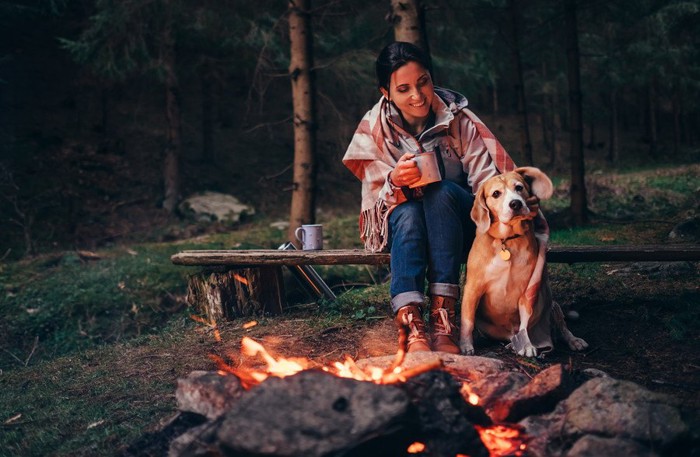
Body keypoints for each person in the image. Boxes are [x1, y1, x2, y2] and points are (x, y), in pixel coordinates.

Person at [343, 41, 529, 354]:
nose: (417, 96)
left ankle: (444, 315)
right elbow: (377, 203)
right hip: (405, 226)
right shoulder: (374, 129)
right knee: (410, 212)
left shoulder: (459, 120)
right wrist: (396, 181)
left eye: (423, 82)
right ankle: (410, 321)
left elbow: (487, 183)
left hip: (460, 224)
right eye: (403, 89)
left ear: (431, 77)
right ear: (386, 93)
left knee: (440, 192)